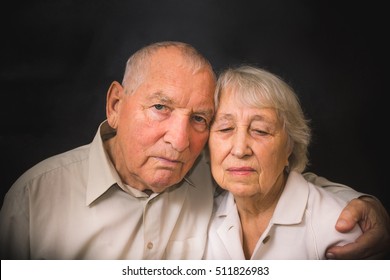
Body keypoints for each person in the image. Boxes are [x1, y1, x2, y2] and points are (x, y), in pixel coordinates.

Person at [0, 41, 389, 260]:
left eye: (201, 119)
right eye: (160, 108)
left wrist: (359, 204)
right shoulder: (34, 200)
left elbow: (277, 176)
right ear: (116, 105)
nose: (180, 140)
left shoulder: (208, 168)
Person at [202, 65, 388, 259]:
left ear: (289, 147)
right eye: (225, 129)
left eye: (261, 131)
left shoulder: (339, 230)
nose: (240, 150)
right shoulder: (199, 221)